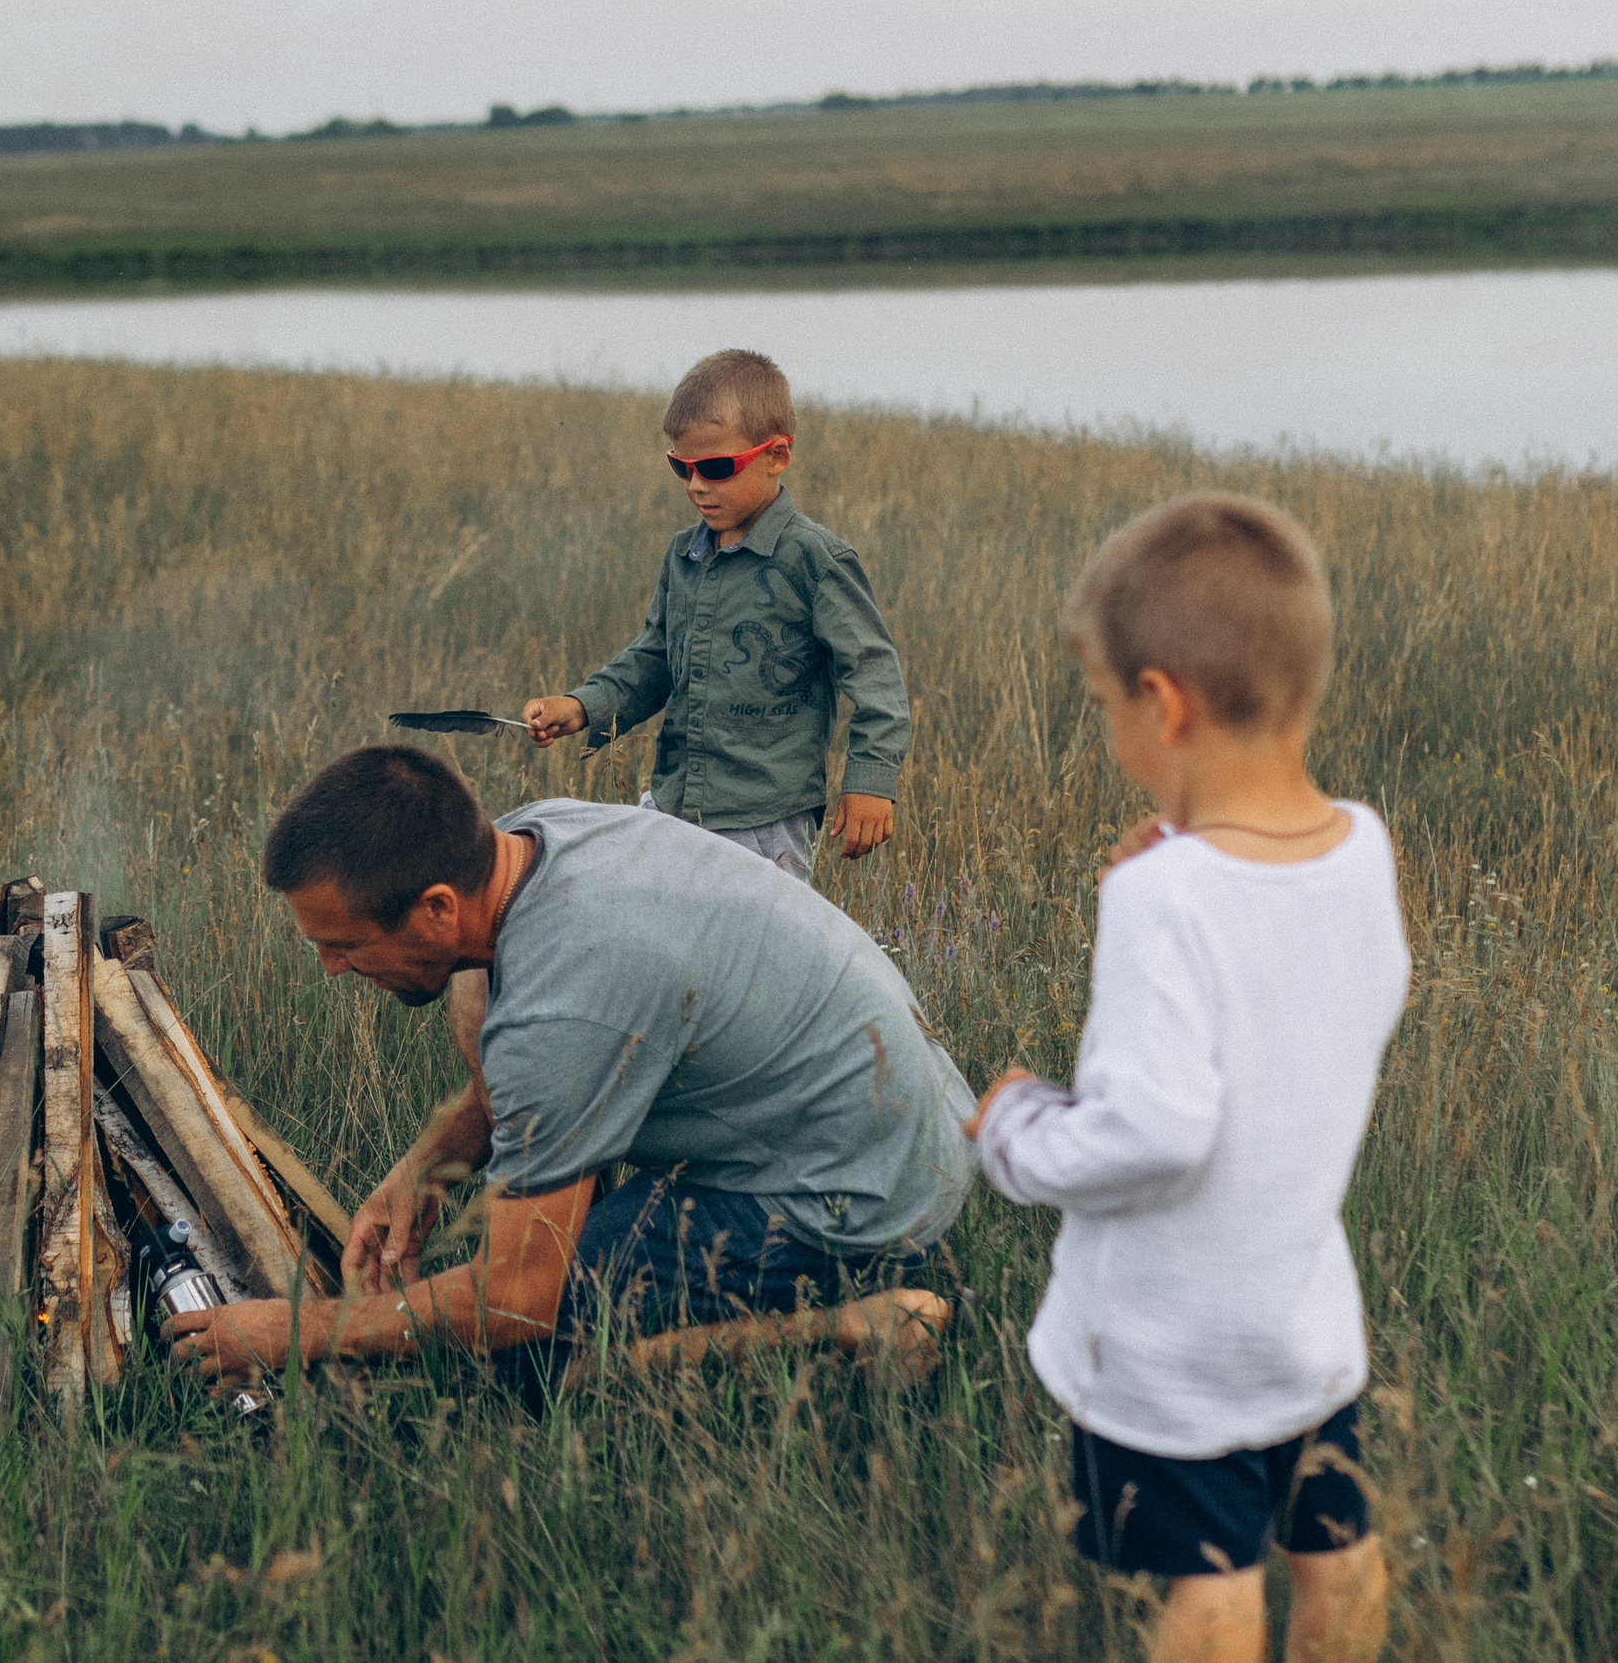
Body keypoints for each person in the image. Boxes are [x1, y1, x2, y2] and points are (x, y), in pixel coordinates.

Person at [167, 746, 974, 1394]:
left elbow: (518, 1299)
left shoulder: (564, 1006)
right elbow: (504, 1033)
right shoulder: (529, 842)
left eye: (342, 944)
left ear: (438, 906)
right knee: (477, 999)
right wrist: (429, 1171)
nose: (331, 969)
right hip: (884, 1120)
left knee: (525, 1364)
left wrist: (294, 1332)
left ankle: (858, 1321)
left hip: (863, 1192)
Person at [965, 493, 1407, 1663]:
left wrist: (1016, 1129)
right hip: (1304, 1320)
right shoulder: (1363, 846)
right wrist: (1183, 850)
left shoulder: (1159, 901)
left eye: (1107, 707)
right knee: (1335, 1552)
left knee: (1209, 1594)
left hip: (1175, 1349)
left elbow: (1155, 1130)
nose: (1110, 732)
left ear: (1162, 702)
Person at [520, 349, 910, 880]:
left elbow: (876, 680)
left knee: (753, 958)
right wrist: (582, 706)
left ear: (777, 456)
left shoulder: (815, 561)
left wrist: (869, 781)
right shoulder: (684, 555)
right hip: (673, 807)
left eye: (717, 468)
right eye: (681, 467)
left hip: (766, 823)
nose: (696, 485)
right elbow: (652, 661)